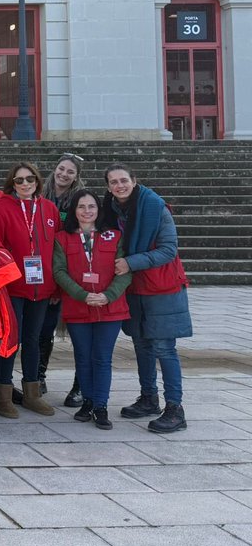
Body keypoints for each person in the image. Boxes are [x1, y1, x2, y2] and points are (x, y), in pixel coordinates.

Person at [103, 164, 192, 433]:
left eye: (124, 180)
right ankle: (149, 398)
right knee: (141, 346)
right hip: (134, 287)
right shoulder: (111, 209)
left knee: (164, 348)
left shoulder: (156, 207)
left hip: (162, 287)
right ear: (108, 187)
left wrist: (131, 262)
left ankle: (175, 409)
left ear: (134, 181)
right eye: (114, 182)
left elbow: (168, 249)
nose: (119, 186)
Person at [53, 190, 131, 430]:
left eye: (91, 206)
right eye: (81, 207)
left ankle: (101, 405)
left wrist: (107, 296)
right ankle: (87, 401)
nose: (87, 211)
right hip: (79, 307)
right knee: (83, 358)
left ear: (99, 210)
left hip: (110, 308)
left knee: (102, 358)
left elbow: (125, 272)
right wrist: (83, 295)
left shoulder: (114, 236)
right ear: (74, 211)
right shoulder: (62, 238)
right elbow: (59, 272)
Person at [0, 162, 60, 418]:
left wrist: (57, 286)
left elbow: (57, 250)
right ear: (12, 183)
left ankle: (32, 393)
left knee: (33, 339)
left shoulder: (49, 209)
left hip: (42, 287)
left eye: (30, 179)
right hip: (12, 287)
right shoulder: (2, 208)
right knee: (10, 340)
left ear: (38, 181)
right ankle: (3, 392)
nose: (25, 184)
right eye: (19, 180)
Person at [42, 152, 87, 407]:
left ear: (76, 176)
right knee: (44, 329)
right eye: (61, 169)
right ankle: (38, 377)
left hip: (72, 270)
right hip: (45, 270)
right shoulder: (41, 193)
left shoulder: (81, 200)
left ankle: (81, 386)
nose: (64, 174)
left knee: (79, 332)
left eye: (70, 172)